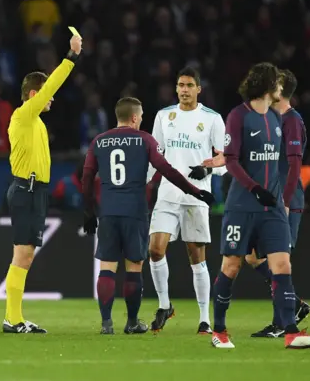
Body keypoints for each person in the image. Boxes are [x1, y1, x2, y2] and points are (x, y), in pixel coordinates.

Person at [211, 62, 310, 349]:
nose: (280, 87)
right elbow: (233, 160)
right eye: (277, 83)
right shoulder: (238, 116)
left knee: (282, 264)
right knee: (232, 265)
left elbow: (284, 164)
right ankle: (220, 331)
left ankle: (291, 332)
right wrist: (254, 189)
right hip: (242, 206)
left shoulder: (277, 119)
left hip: (272, 208)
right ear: (266, 86)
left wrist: (280, 200)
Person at [81, 97, 215, 335]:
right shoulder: (144, 140)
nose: (142, 120)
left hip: (109, 212)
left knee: (107, 267)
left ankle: (106, 324)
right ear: (134, 117)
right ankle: (132, 322)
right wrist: (195, 191)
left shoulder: (99, 141)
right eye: (141, 116)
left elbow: (87, 176)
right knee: (134, 267)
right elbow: (167, 170)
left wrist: (89, 211)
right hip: (134, 212)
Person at [2, 34, 82, 334]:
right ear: (34, 94)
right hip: (26, 190)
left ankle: (14, 317)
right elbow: (51, 86)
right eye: (46, 93)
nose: (52, 98)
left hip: (37, 191)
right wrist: (71, 57)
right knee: (22, 254)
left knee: (26, 254)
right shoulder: (24, 115)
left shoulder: (37, 123)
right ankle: (13, 318)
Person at [146, 67, 227, 334]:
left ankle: (204, 317)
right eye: (180, 85)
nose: (183, 90)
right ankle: (164, 305)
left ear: (198, 89)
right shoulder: (164, 116)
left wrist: (209, 169)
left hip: (196, 195)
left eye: (189, 85)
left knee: (196, 256)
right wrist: (141, 185)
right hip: (167, 194)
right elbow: (154, 157)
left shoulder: (212, 119)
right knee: (155, 250)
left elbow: (225, 159)